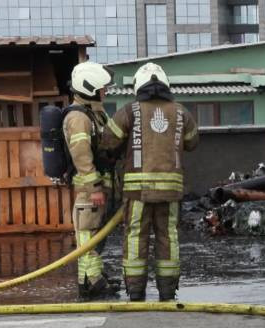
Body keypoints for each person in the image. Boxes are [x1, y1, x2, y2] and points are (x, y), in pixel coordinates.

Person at [101, 63, 199, 301]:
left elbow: (108, 142)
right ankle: (167, 292)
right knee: (168, 236)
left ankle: (136, 292)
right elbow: (192, 142)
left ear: (138, 86)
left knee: (136, 236)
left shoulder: (129, 111)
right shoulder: (181, 112)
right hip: (171, 191)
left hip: (137, 192)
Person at [64, 61, 117, 299]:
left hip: (98, 188)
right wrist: (95, 186)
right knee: (87, 236)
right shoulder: (78, 118)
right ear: (89, 88)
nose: (105, 91)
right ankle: (90, 282)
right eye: (102, 87)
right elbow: (82, 155)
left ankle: (96, 277)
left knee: (96, 235)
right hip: (89, 191)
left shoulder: (93, 113)